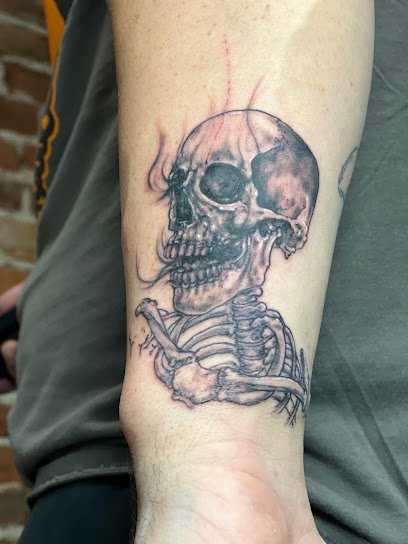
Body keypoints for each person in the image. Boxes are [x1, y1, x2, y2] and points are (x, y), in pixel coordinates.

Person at [0, 1, 406, 543]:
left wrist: (228, 467)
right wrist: (51, 300)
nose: (180, 223)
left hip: (248, 487)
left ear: (279, 225)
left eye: (221, 187)